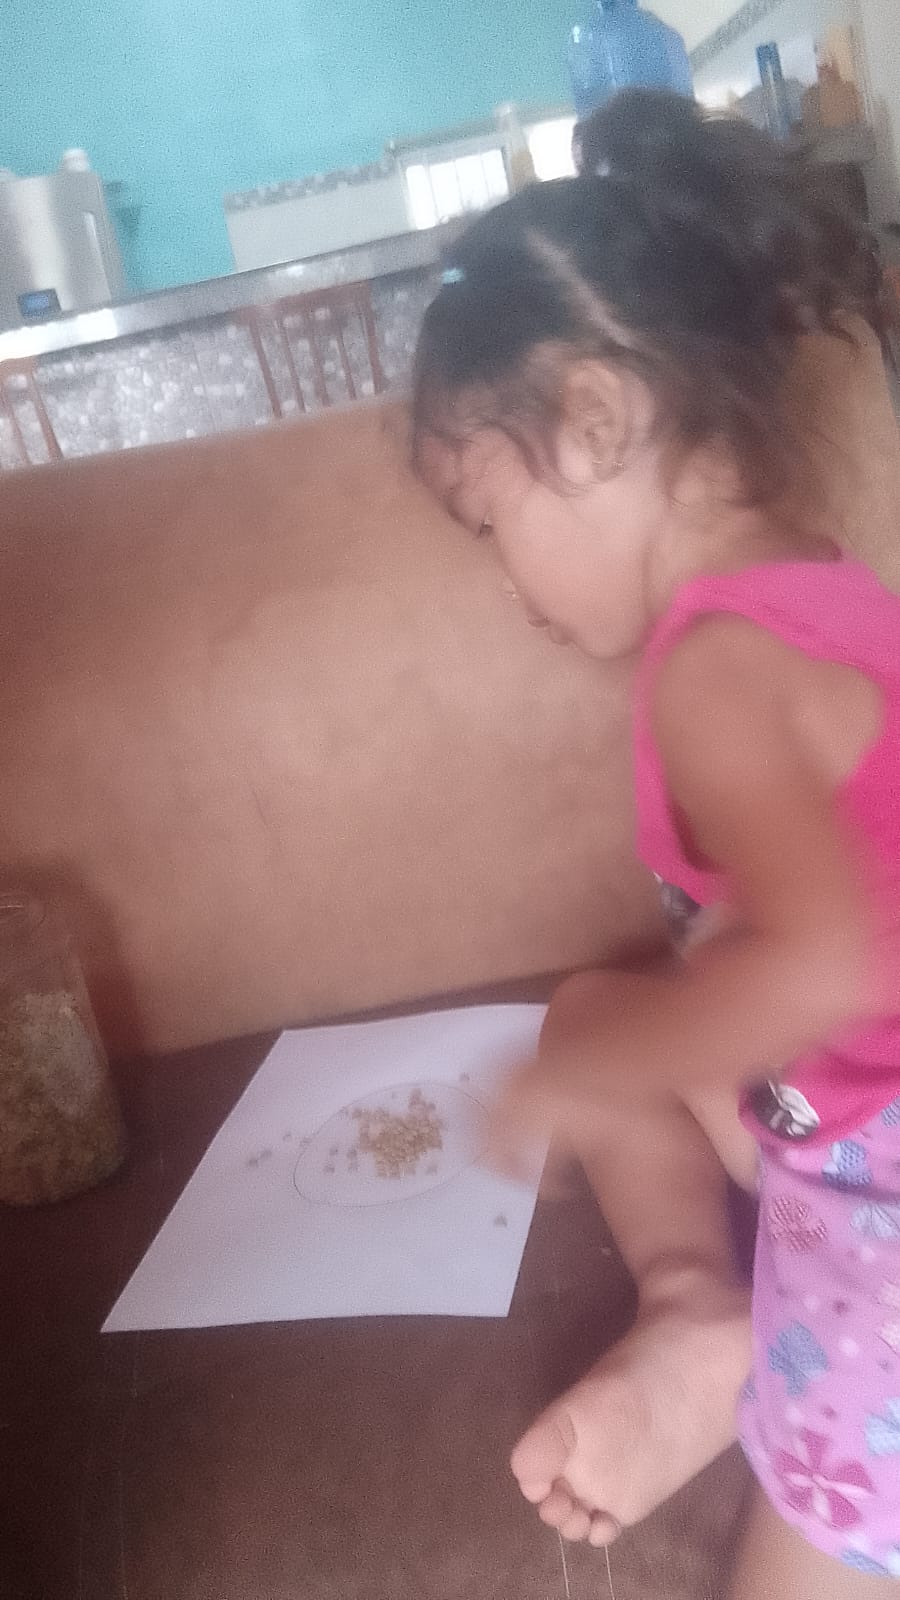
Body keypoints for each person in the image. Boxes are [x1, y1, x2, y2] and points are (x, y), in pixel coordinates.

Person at [411, 89, 900, 1599]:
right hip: (844, 1115)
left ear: (597, 419)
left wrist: (588, 1079)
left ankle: (779, 1385)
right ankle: (700, 1311)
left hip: (881, 1183)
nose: (513, 590)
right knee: (588, 1006)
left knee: (593, 1046)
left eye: (489, 524)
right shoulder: (825, 593)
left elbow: (824, 958)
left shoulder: (715, 670)